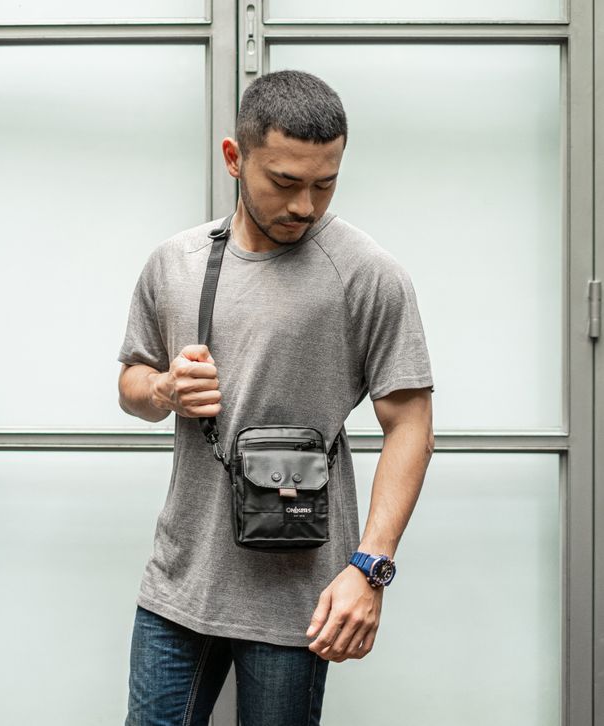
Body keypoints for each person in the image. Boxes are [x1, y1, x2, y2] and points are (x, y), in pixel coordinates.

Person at [117, 69, 434, 726]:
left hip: (299, 601)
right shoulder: (176, 262)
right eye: (285, 182)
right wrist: (165, 389)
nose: (305, 206)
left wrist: (370, 567)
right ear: (235, 158)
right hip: (177, 587)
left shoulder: (368, 274)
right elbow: (132, 385)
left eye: (325, 183)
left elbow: (411, 425)